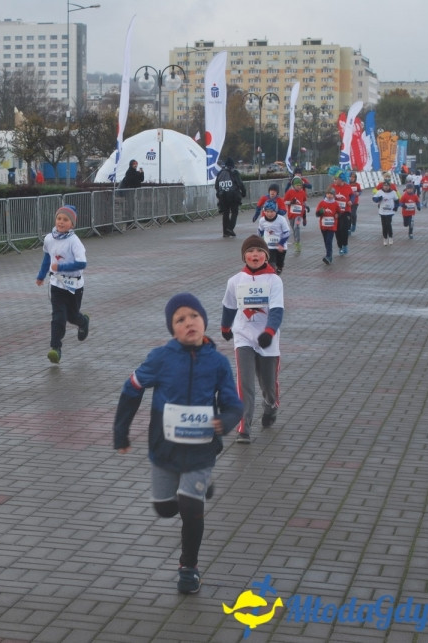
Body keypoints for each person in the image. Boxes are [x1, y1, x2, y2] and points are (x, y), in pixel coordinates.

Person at [113, 293, 243, 594]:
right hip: (164, 448)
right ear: (172, 329)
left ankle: (189, 567)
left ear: (204, 321)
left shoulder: (218, 362)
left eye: (193, 316)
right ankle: (196, 489)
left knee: (190, 506)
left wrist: (225, 422)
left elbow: (234, 404)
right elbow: (131, 389)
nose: (188, 323)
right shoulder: (160, 358)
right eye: (180, 320)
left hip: (201, 449)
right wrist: (121, 432)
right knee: (165, 509)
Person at [220, 236, 285, 445]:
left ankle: (271, 405)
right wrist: (225, 327)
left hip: (268, 338)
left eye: (259, 251)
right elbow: (229, 306)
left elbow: (276, 310)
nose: (254, 255)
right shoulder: (235, 280)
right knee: (245, 383)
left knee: (268, 385)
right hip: (243, 337)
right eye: (250, 251)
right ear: (244, 256)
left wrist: (269, 331)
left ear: (266, 255)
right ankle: (244, 428)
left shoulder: (274, 280)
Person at [35, 205, 89, 364]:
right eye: (59, 218)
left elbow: (82, 264)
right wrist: (41, 275)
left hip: (74, 286)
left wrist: (62, 267)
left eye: (65, 220)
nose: (61, 222)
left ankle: (83, 321)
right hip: (56, 284)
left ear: (72, 224)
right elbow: (47, 258)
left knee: (72, 316)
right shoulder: (49, 238)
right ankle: (55, 348)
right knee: (58, 317)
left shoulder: (75, 242)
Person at [214, 157, 246, 238]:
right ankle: (230, 228)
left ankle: (225, 232)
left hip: (222, 196)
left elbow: (216, 186)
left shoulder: (220, 173)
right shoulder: (234, 172)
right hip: (233, 195)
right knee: (234, 212)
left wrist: (219, 194)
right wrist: (243, 193)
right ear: (232, 165)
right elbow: (240, 183)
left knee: (225, 213)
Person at [256, 200, 290, 275]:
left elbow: (287, 233)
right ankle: (272, 275)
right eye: (267, 211)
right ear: (264, 211)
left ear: (276, 211)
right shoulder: (262, 220)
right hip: (269, 246)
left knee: (279, 263)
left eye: (272, 212)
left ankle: (280, 267)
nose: (269, 214)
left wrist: (281, 243)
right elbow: (260, 231)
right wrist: (259, 242)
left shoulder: (281, 219)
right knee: (271, 264)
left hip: (281, 246)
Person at [315, 186, 341, 265]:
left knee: (329, 240)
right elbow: (317, 214)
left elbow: (339, 212)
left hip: (332, 226)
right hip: (323, 226)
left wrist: (337, 215)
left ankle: (329, 256)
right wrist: (321, 212)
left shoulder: (336, 203)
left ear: (334, 195)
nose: (329, 195)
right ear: (326, 194)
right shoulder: (322, 203)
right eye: (328, 194)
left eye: (331, 194)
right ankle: (328, 255)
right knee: (326, 241)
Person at [283, 177, 308, 254]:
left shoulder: (302, 192)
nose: (299, 187)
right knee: (294, 229)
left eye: (300, 185)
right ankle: (296, 241)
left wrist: (306, 207)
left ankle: (298, 243)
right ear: (293, 185)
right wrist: (291, 202)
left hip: (299, 215)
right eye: (297, 185)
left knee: (296, 227)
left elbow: (304, 202)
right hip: (291, 215)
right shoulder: (289, 192)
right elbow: (284, 202)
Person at [372, 178, 400, 246]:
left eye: (387, 186)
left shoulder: (393, 192)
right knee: (384, 225)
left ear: (389, 186)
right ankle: (385, 238)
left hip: (390, 211)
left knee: (389, 224)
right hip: (382, 211)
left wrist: (396, 207)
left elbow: (397, 200)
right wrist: (378, 198)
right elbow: (374, 199)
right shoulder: (379, 192)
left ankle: (390, 237)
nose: (386, 187)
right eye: (385, 186)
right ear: (382, 186)